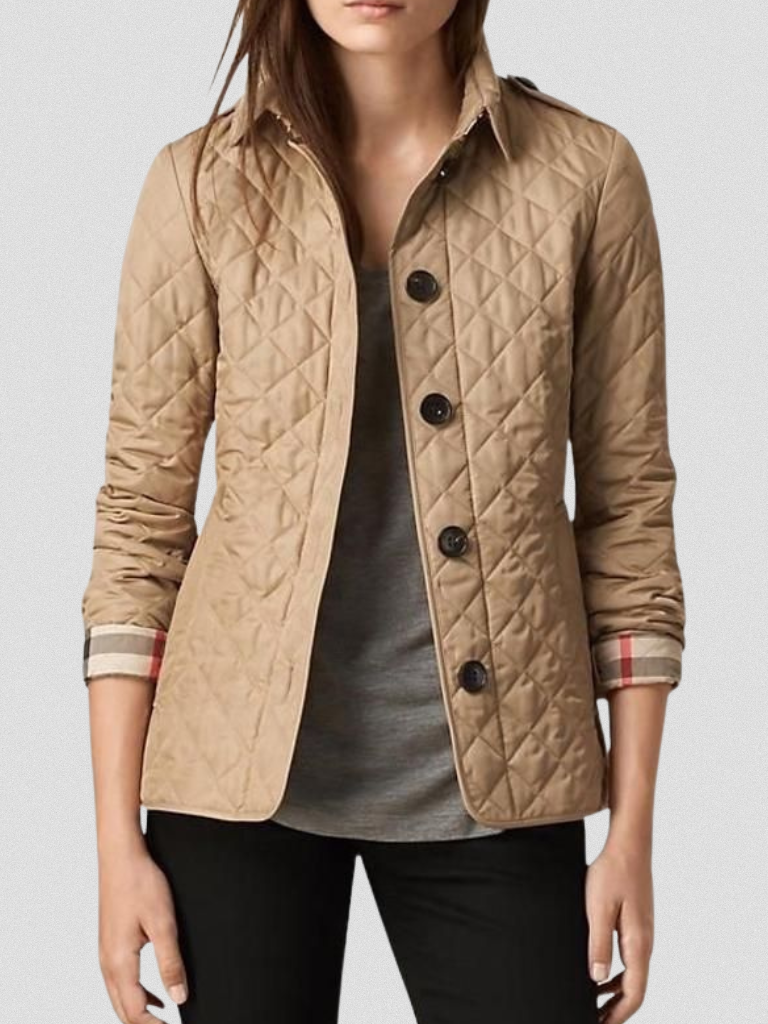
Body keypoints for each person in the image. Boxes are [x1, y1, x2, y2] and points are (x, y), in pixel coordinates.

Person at [81, 2, 686, 1022]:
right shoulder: (200, 184)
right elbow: (141, 518)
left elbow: (630, 512)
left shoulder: (584, 176)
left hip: (503, 780)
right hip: (233, 787)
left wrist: (632, 834)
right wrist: (114, 845)